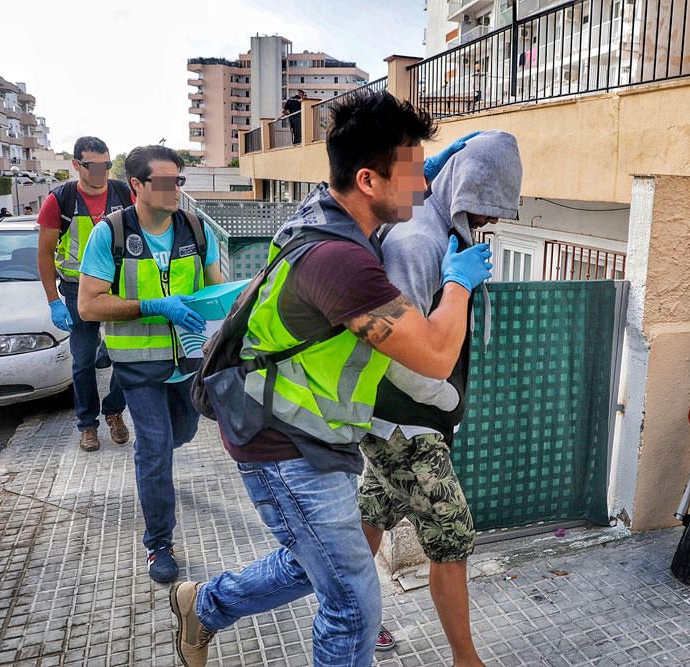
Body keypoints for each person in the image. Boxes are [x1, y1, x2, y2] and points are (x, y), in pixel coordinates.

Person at [168, 91, 492, 667]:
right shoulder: (343, 264)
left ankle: (206, 605)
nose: (424, 190)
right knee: (353, 604)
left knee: (310, 561)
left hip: (302, 433)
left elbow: (360, 203)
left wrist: (424, 168)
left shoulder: (323, 215)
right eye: (414, 173)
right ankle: (209, 606)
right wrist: (459, 282)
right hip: (281, 445)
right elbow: (438, 355)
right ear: (367, 180)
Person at [363, 131, 522, 663]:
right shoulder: (418, 240)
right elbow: (392, 347)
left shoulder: (437, 229)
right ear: (457, 190)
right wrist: (447, 402)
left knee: (372, 515)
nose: (491, 221)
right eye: (483, 207)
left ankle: (352, 614)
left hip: (395, 419)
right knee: (452, 538)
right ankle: (466, 659)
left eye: (500, 209)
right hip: (408, 422)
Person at [77, 145, 224, 583]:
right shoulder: (111, 234)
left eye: (178, 181)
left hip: (189, 362)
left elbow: (217, 289)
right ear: (137, 185)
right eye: (164, 182)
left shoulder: (197, 229)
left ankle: (154, 461)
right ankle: (159, 544)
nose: (175, 189)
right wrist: (157, 307)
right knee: (155, 449)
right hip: (139, 366)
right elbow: (88, 305)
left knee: (182, 432)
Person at [37, 136, 132, 453]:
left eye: (106, 164)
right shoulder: (60, 200)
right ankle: (87, 425)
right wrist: (53, 301)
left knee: (128, 354)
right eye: (93, 166)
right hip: (79, 290)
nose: (102, 172)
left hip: (119, 285)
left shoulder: (122, 194)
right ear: (76, 165)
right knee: (82, 362)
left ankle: (114, 411)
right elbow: (45, 254)